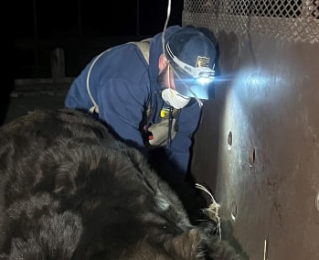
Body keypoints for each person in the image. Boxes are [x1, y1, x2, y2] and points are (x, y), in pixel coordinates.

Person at [64, 24, 219, 214]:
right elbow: (128, 154)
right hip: (87, 123)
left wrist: (177, 192)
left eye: (193, 89)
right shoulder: (126, 80)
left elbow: (181, 141)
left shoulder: (192, 93)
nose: (185, 95)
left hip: (141, 119)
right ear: (163, 63)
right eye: (182, 84)